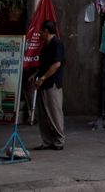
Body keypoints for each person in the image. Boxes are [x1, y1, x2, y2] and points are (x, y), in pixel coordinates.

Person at [33, 20, 65, 151]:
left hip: (52, 84)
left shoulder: (57, 44)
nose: (39, 34)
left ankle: (58, 141)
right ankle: (47, 141)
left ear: (46, 31)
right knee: (43, 114)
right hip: (43, 83)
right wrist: (36, 74)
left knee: (54, 112)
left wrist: (43, 77)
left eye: (41, 31)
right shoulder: (45, 45)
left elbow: (56, 64)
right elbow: (44, 64)